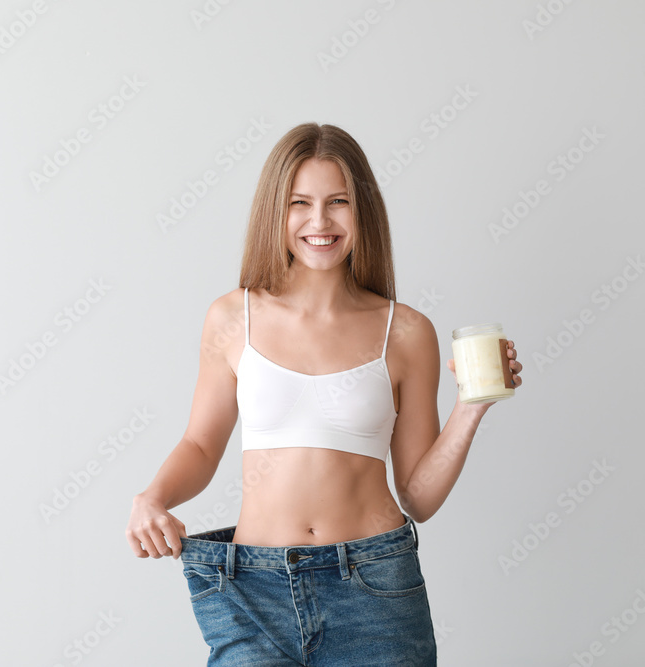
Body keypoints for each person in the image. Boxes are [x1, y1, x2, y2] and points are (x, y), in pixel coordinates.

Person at [125, 122, 523, 665]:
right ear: (276, 212)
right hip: (252, 589)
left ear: (363, 211)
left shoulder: (405, 331)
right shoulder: (231, 317)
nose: (319, 221)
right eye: (299, 203)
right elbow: (200, 445)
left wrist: (472, 407)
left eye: (338, 201)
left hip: (375, 588)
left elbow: (419, 497)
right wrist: (152, 498)